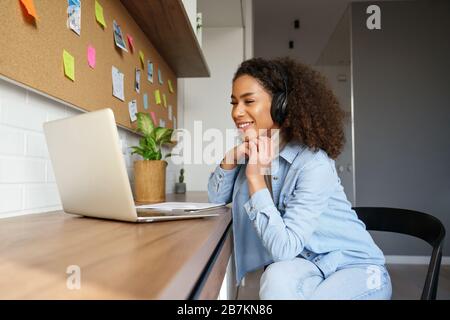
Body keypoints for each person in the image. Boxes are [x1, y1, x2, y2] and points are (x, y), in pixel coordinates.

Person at [207, 57, 392, 300]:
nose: (236, 112)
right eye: (234, 102)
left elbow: (284, 248)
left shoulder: (313, 164)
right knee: (275, 278)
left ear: (281, 105)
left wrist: (255, 179)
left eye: (248, 101)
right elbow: (216, 197)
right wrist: (231, 158)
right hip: (308, 265)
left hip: (356, 267)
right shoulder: (254, 152)